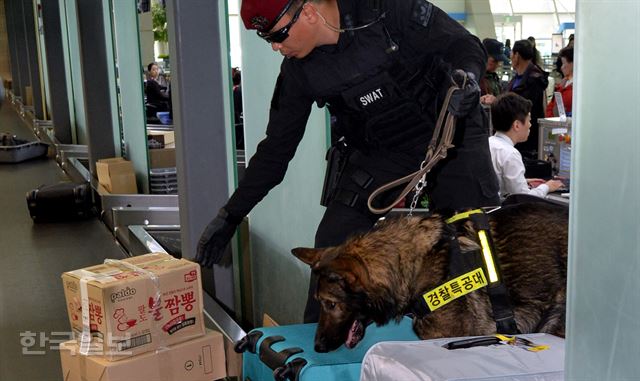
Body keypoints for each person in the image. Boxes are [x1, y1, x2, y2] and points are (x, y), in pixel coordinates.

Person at [195, 0, 500, 323]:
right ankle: (315, 355)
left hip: (453, 133)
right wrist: (231, 215)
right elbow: (275, 151)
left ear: (309, 10)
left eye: (279, 34)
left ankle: (499, 327)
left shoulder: (388, 11)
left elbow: (463, 44)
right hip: (383, 152)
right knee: (333, 243)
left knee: (475, 240)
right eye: (266, 39)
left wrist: (467, 76)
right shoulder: (300, 73)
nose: (275, 46)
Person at [489, 92, 563, 199]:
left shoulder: (489, 143)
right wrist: (546, 187)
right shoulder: (510, 154)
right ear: (517, 125)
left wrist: (523, 181)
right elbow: (524, 198)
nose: (530, 125)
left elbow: (497, 181)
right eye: (529, 120)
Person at [507, 39, 548, 159]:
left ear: (517, 55)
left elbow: (522, 105)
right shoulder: (519, 78)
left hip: (526, 139)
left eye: (512, 54)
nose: (510, 57)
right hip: (515, 133)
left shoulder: (534, 80)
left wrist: (499, 101)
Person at [480, 38, 508, 105]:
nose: (497, 65)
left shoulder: (493, 76)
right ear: (484, 57)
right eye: (494, 61)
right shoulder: (475, 78)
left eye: (499, 62)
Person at [546, 47, 573, 117]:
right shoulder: (564, 84)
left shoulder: (574, 88)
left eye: (564, 63)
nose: (561, 67)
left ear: (572, 64)